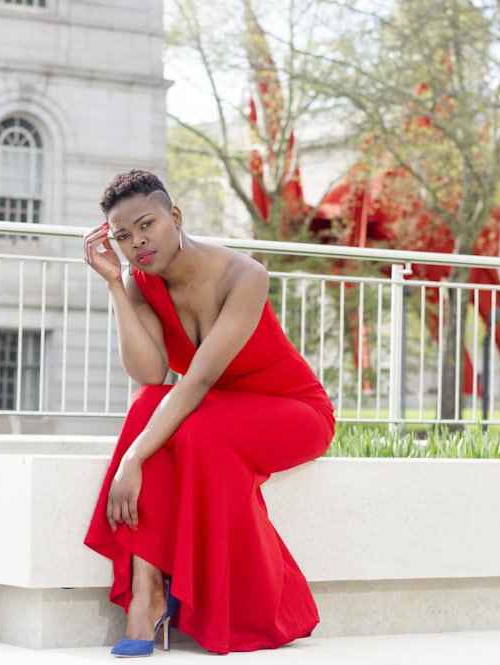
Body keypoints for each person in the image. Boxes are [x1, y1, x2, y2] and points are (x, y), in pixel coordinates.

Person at [82, 169, 335, 656]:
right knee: (149, 407)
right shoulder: (141, 281)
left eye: (146, 225)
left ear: (174, 217)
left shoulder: (245, 276)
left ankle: (240, 604)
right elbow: (152, 373)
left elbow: (195, 381)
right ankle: (147, 590)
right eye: (123, 236)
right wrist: (117, 286)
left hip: (293, 410)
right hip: (221, 408)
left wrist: (132, 460)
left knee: (194, 432)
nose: (136, 243)